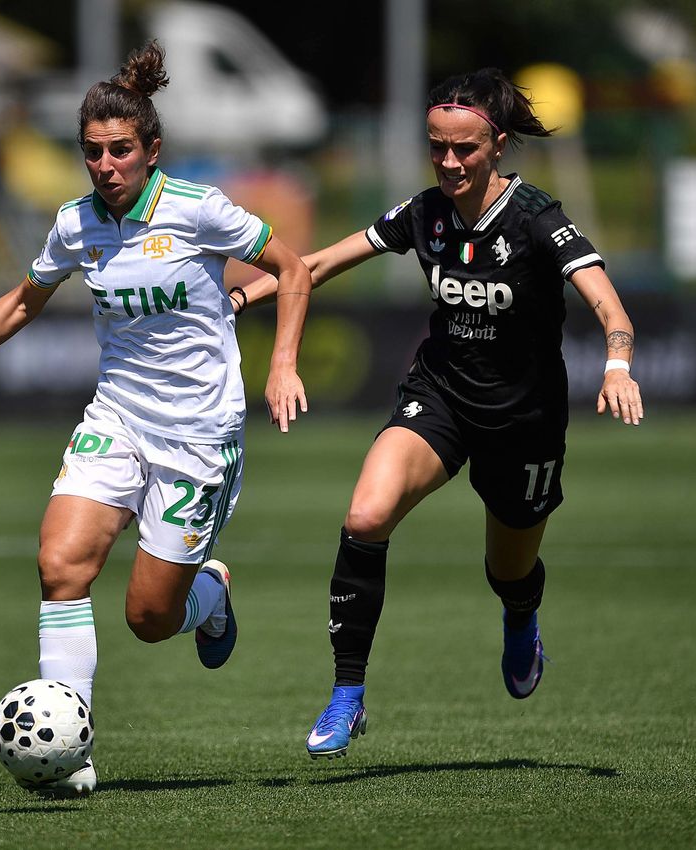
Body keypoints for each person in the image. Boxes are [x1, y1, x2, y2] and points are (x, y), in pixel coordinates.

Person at [0, 42, 312, 794]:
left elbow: (293, 270)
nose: (105, 165)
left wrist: (280, 366)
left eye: (119, 151)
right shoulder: (75, 225)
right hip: (117, 418)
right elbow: (23, 299)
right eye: (92, 153)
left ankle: (209, 594)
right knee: (59, 566)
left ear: (150, 151)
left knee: (148, 617)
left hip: (198, 436)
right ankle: (67, 746)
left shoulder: (198, 209)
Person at [232, 67, 644, 759]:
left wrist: (617, 364)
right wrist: (244, 298)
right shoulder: (422, 212)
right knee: (364, 516)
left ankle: (520, 617)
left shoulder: (538, 218)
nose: (449, 163)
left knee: (508, 570)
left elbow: (608, 304)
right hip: (441, 396)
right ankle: (347, 693)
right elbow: (324, 261)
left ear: (498, 145)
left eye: (465, 150)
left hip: (524, 418)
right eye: (437, 148)